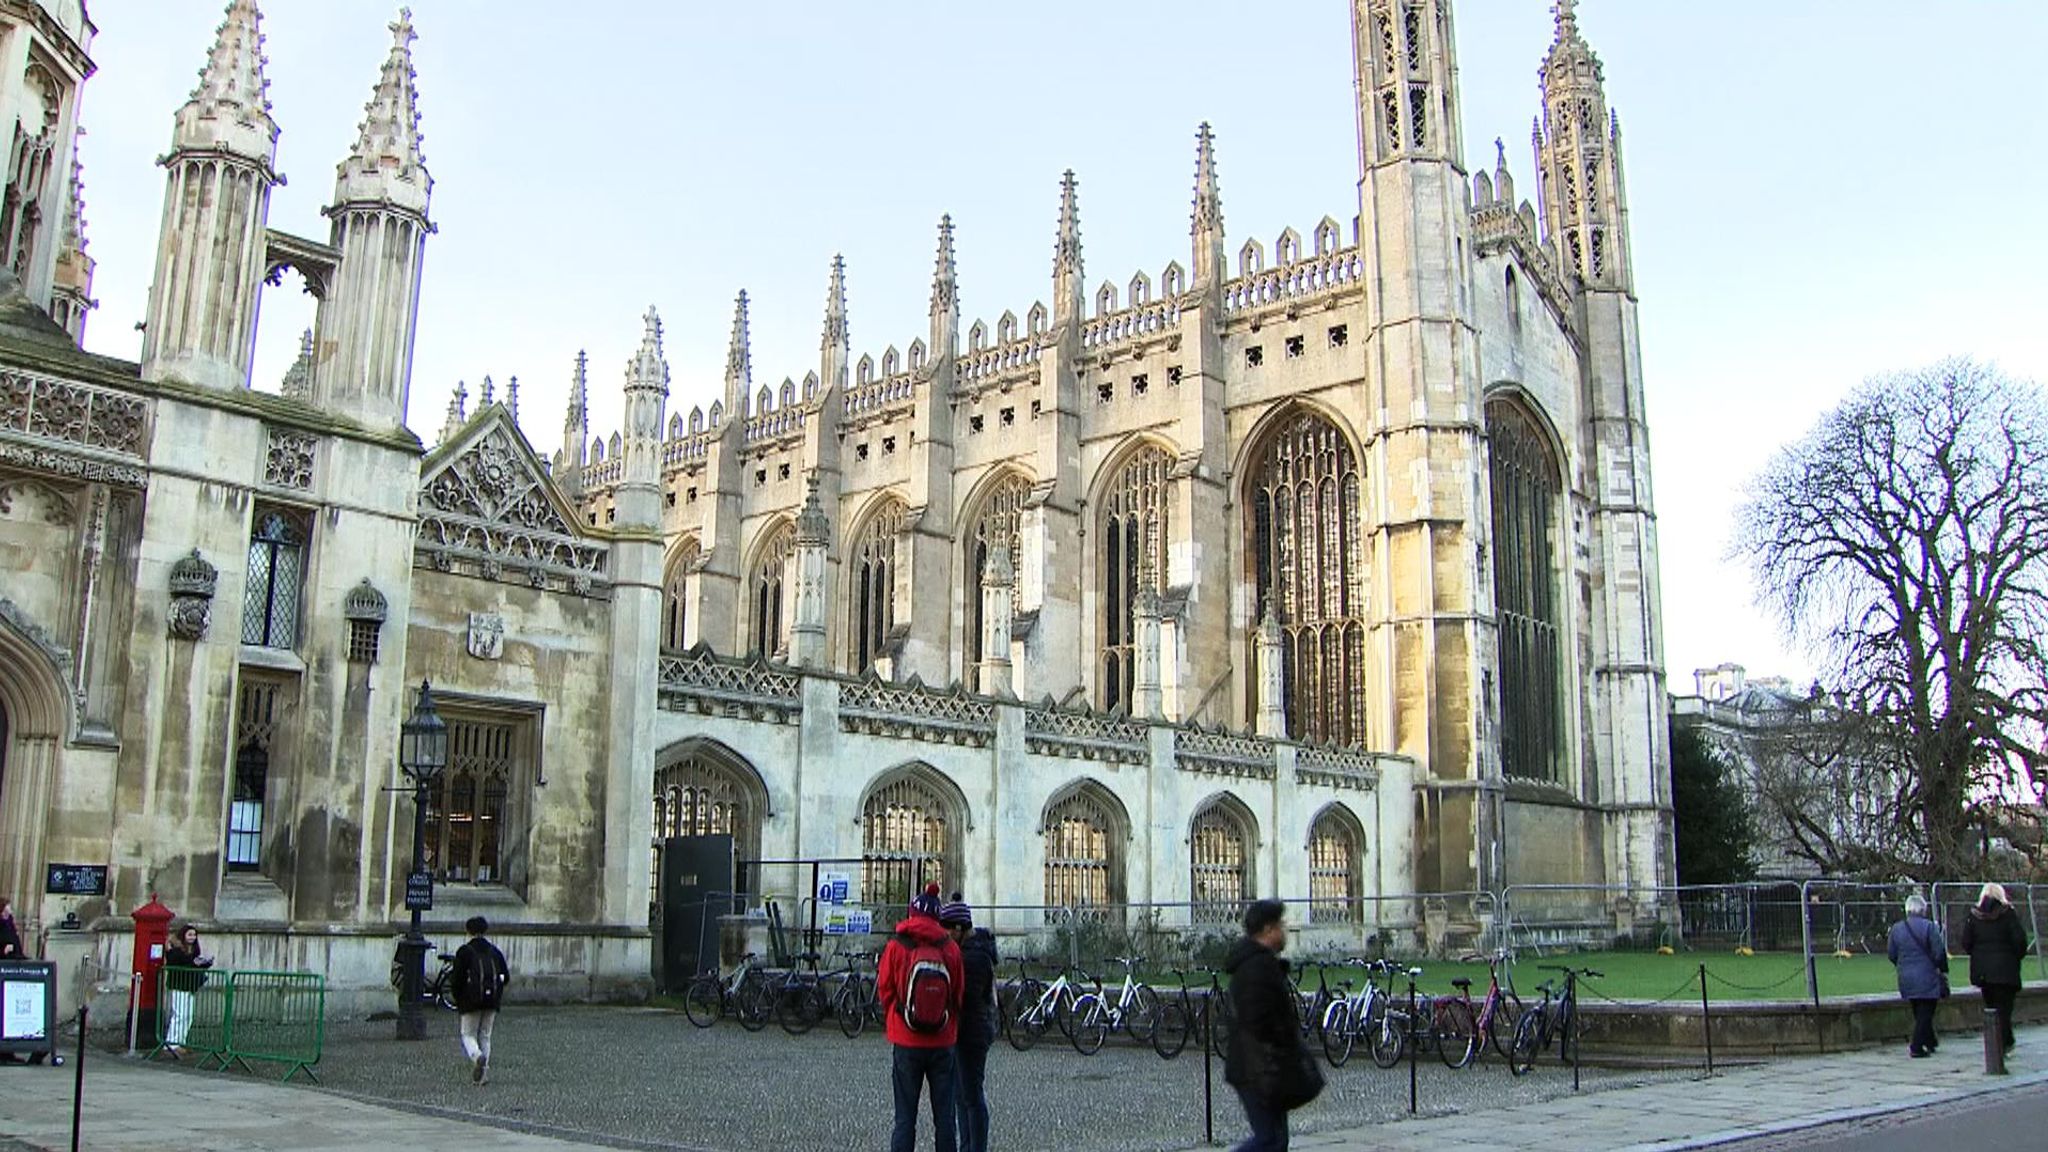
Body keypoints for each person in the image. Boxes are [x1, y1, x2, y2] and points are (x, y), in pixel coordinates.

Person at [1223, 899, 1321, 1152]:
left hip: (1264, 1068)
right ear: (1268, 930)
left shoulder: (1259, 964)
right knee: (1269, 1140)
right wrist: (1283, 1047)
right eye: (1280, 925)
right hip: (1258, 1069)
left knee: (1276, 1141)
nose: (1284, 931)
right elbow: (1258, 1022)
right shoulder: (1256, 968)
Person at [877, 882, 965, 1152]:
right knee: (945, 1120)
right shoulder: (950, 948)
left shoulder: (896, 946)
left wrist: (899, 1015)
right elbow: (958, 995)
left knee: (904, 1119)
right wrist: (946, 1019)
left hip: (906, 1041)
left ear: (912, 914)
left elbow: (884, 990)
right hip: (942, 1042)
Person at [941, 895, 997, 1152]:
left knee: (972, 1097)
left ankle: (976, 1148)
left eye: (948, 930)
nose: (946, 935)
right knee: (962, 1097)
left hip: (971, 1033)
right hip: (967, 1031)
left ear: (960, 929)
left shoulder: (972, 958)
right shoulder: (973, 951)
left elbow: (964, 998)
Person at [1960, 881, 2030, 1054]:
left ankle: (1999, 1042)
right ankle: (2005, 1042)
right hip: (2006, 970)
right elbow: (2020, 941)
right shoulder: (2009, 915)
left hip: (1984, 972)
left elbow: (1966, 942)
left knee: (1991, 1007)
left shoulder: (1974, 917)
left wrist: (1978, 956)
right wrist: (2015, 957)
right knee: (2005, 1008)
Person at [1886, 893, 1949, 1057]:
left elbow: (1892, 953)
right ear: (1923, 909)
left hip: (1905, 976)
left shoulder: (1897, 929)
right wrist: (1941, 969)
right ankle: (1916, 1046)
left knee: (1918, 1009)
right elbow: (1938, 952)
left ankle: (1930, 1041)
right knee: (1926, 1011)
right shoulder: (1929, 927)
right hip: (1926, 975)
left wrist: (1903, 965)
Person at [451, 915, 509, 1085]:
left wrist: (458, 997)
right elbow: (505, 976)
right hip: (491, 1001)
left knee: (468, 1034)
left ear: (468, 931)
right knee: (485, 1035)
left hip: (470, 1000)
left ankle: (477, 1057)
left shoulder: (465, 952)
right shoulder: (494, 951)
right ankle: (482, 1077)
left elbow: (457, 979)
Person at [161, 923, 213, 1057]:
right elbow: (174, 963)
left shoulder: (194, 950)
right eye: (190, 934)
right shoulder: (175, 949)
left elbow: (192, 966)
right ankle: (171, 1043)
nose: (192, 937)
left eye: (194, 935)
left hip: (190, 986)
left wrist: (204, 964)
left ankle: (181, 1041)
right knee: (179, 1014)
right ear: (183, 935)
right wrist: (193, 963)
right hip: (179, 985)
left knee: (188, 1016)